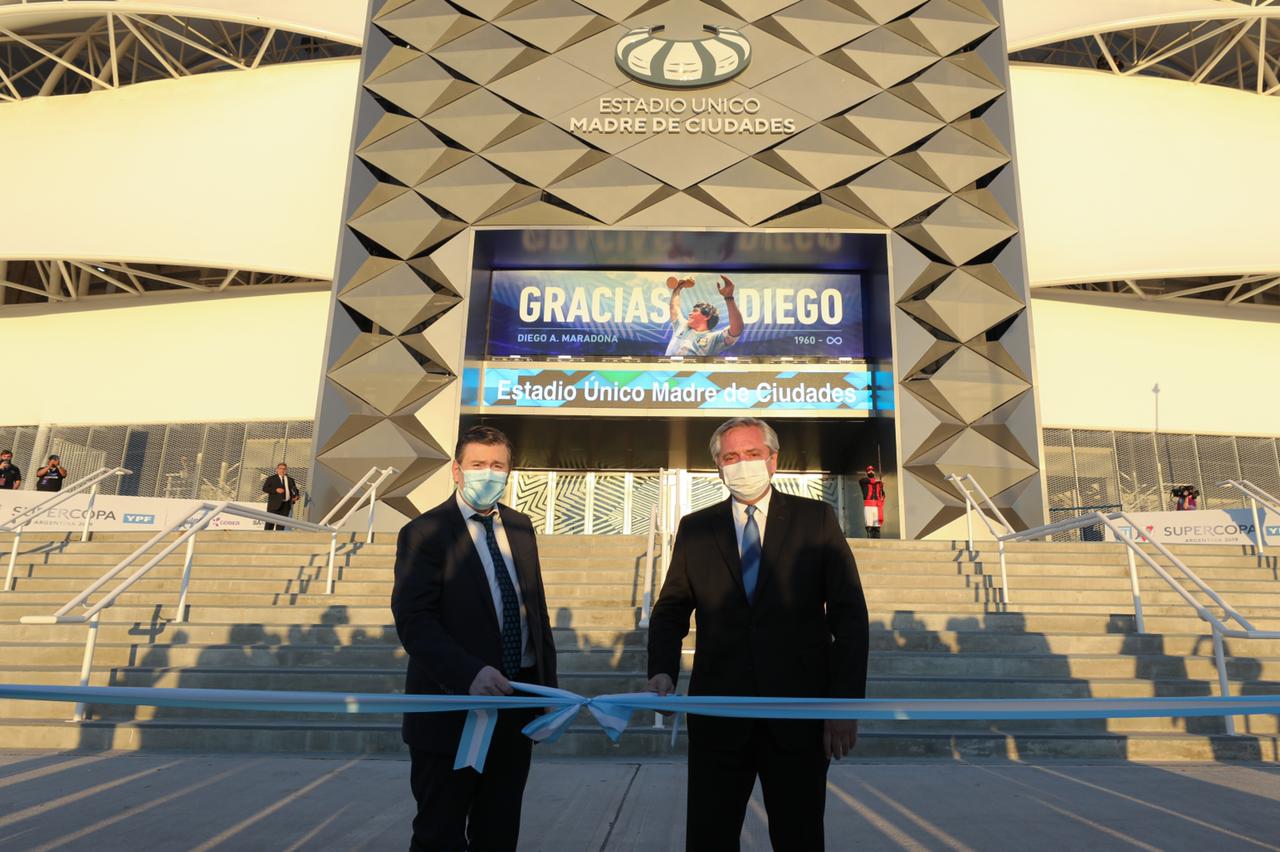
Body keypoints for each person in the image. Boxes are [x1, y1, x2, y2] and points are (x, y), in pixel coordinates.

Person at [646, 416, 869, 851]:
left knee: (799, 836)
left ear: (773, 460)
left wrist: (843, 703)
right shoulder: (696, 528)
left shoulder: (815, 519)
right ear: (717, 467)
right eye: (730, 457)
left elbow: (849, 616)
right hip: (719, 714)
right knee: (710, 836)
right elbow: (671, 609)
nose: (741, 464)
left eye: (751, 454)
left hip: (798, 715)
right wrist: (661, 670)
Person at [391, 425, 558, 852]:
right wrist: (469, 673)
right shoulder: (425, 532)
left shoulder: (520, 527)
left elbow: (533, 611)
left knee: (498, 832)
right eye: (478, 465)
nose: (489, 473)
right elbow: (414, 620)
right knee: (439, 834)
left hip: (514, 708)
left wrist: (545, 695)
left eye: (498, 466)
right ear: (457, 470)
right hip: (451, 712)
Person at [663, 274, 745, 357]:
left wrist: (729, 297)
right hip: (666, 369)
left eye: (695, 311)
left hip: (691, 370)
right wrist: (679, 287)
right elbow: (674, 306)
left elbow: (737, 330)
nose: (690, 313)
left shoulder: (713, 338)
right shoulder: (682, 326)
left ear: (707, 316)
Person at [260, 463, 300, 531]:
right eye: (281, 468)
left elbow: (294, 490)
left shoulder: (290, 480)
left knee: (281, 525)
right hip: (274, 505)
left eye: (284, 469)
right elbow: (265, 488)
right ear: (277, 469)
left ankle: (277, 539)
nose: (282, 470)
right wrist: (275, 490)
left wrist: (296, 496)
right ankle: (266, 539)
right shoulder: (271, 478)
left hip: (286, 505)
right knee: (270, 523)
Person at [859, 465, 885, 538]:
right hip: (868, 506)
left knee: (876, 525)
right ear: (867, 472)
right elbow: (866, 480)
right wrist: (877, 481)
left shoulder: (879, 483)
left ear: (874, 472)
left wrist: (882, 486)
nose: (870, 471)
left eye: (872, 470)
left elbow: (882, 494)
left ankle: (877, 541)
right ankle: (870, 541)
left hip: (877, 506)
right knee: (869, 524)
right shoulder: (863, 481)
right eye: (869, 470)